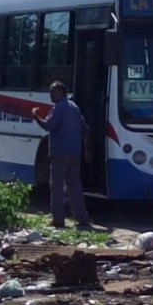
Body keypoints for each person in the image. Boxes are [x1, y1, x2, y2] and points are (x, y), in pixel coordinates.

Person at [32, 81, 93, 228]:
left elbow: (48, 125)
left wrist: (35, 116)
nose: (50, 95)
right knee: (75, 186)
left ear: (61, 92)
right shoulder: (75, 108)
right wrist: (87, 149)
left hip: (59, 153)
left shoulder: (59, 108)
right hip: (75, 154)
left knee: (57, 187)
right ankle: (82, 218)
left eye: (53, 92)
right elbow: (86, 130)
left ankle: (58, 219)